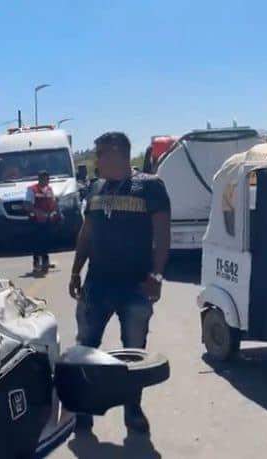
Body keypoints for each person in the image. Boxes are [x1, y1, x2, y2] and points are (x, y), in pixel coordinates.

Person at [68, 132, 171, 434]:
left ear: (116, 154)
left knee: (134, 353)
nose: (95, 161)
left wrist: (157, 275)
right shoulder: (95, 189)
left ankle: (132, 408)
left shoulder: (150, 187)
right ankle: (83, 408)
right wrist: (76, 271)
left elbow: (163, 235)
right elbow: (87, 234)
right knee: (85, 348)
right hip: (97, 285)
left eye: (99, 154)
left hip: (135, 288)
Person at [26, 170, 59, 273]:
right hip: (35, 220)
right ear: (40, 179)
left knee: (46, 241)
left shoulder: (49, 189)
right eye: (45, 179)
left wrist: (55, 212)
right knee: (37, 242)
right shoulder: (32, 189)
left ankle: (45, 262)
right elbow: (28, 205)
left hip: (47, 219)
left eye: (48, 179)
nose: (47, 181)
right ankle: (36, 264)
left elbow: (53, 203)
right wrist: (38, 213)